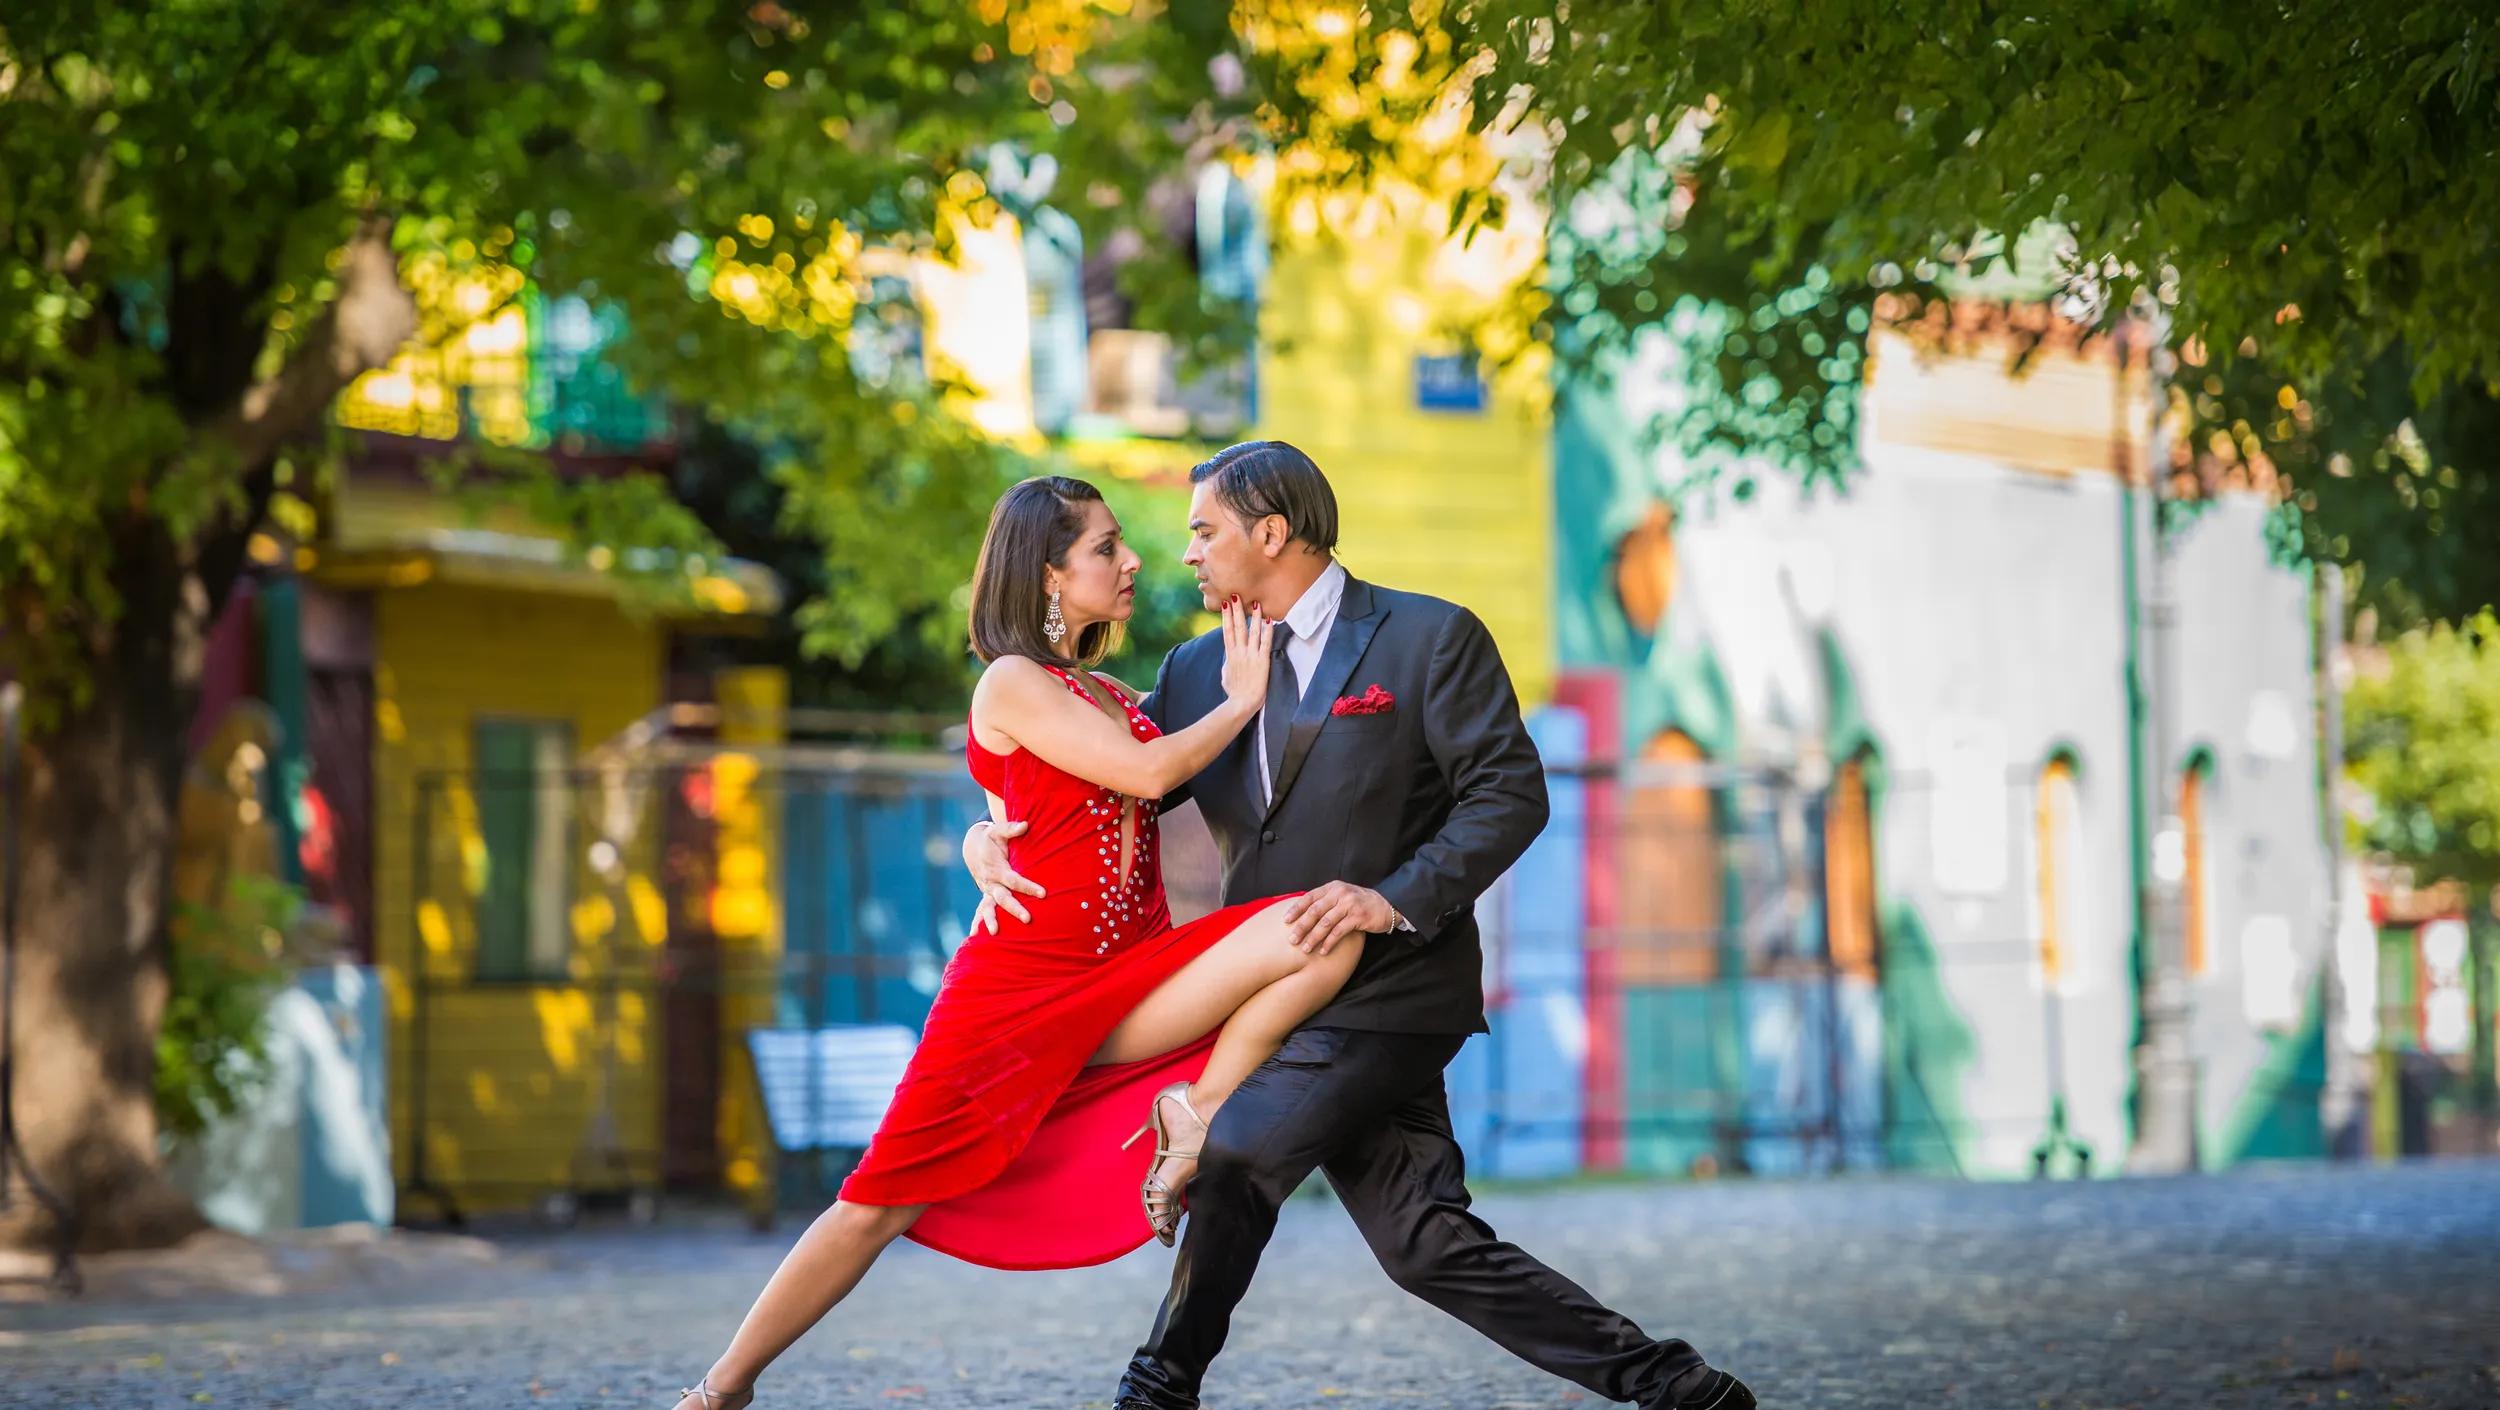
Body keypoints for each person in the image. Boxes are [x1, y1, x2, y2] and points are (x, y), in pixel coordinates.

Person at [966, 441, 1754, 1410]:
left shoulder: (1429, 639)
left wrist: (1395, 897)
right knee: (1426, 1244)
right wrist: (985, 835)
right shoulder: (1194, 668)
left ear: (1272, 531)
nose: (1185, 556)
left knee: (1238, 1148)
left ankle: (1157, 1387)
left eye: (1203, 531)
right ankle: (1683, 1388)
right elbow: (1095, 776)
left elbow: (1509, 796)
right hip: (1277, 999)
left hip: (1394, 988)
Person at [669, 474, 1365, 1410]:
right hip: (1016, 995)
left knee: (1325, 930)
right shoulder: (1011, 680)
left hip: (1131, 974)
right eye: (1105, 549)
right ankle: (723, 1387)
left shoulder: (1112, 690)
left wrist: (982, 831)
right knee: (877, 1204)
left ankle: (1191, 1117)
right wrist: (1240, 701)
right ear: (1047, 575)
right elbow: (1151, 769)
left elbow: (1067, 798)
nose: (1132, 562)